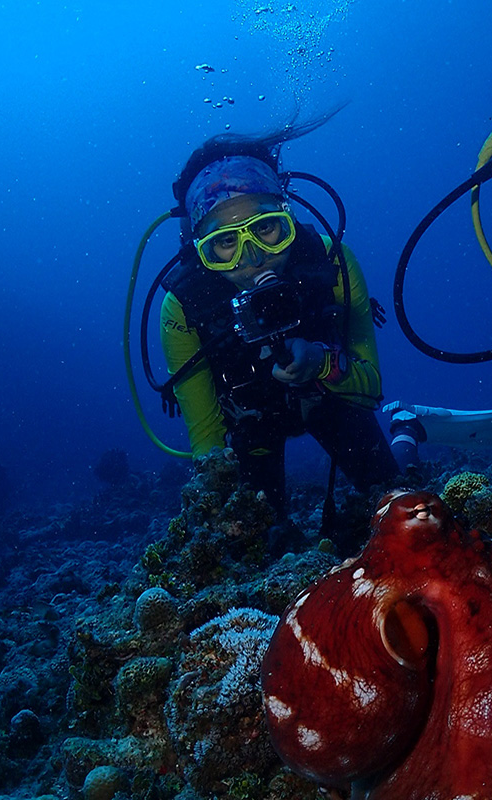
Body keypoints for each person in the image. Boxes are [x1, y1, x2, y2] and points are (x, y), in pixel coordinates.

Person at [160, 124, 400, 550]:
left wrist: (322, 362)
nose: (253, 259)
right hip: (252, 427)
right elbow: (209, 448)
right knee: (250, 541)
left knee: (399, 503)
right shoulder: (184, 308)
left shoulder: (333, 262)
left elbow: (371, 387)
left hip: (332, 403)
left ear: (287, 216)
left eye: (267, 229)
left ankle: (408, 434)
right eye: (225, 244)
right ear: (200, 249)